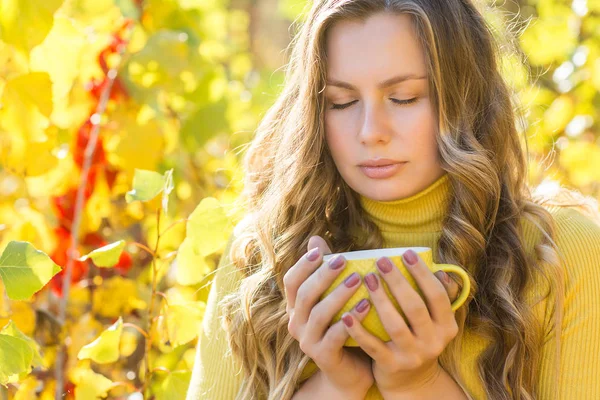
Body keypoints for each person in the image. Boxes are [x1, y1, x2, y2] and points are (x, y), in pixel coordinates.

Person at [186, 0, 600, 399]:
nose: (370, 131)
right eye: (341, 102)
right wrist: (336, 385)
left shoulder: (563, 253)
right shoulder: (263, 259)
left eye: (403, 97)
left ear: (467, 98)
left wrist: (416, 385)